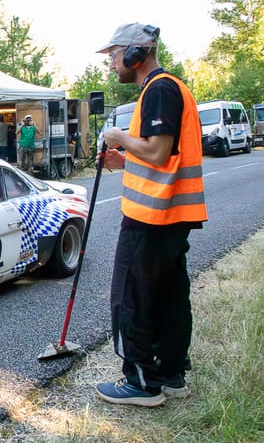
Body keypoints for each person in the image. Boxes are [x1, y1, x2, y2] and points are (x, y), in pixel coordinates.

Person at [95, 22, 207, 407]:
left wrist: (118, 137)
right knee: (171, 296)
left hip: (151, 218)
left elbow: (157, 151)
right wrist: (124, 159)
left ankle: (141, 383)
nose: (111, 64)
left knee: (132, 297)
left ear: (134, 54)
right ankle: (171, 373)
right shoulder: (168, 89)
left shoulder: (159, 89)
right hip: (171, 215)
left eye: (113, 55)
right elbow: (160, 158)